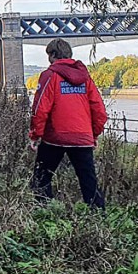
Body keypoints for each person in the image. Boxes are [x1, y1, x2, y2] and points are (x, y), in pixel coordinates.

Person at [29, 38, 108, 209]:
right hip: (83, 137)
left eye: (49, 55)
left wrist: (35, 135)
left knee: (41, 178)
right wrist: (93, 134)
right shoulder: (85, 77)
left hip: (55, 137)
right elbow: (99, 109)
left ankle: (45, 213)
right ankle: (98, 218)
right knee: (88, 181)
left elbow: (40, 109)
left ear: (53, 55)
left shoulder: (49, 76)